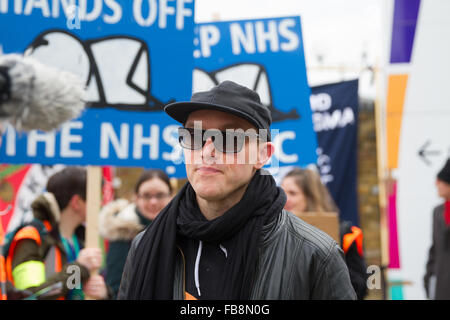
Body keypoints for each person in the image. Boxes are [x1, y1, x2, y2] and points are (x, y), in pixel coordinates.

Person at [117, 80, 356, 300]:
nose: (207, 150)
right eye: (194, 135)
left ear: (263, 155)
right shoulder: (146, 245)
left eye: (229, 138)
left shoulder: (314, 255)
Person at [3, 167, 108, 300]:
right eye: (96, 198)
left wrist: (104, 294)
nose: (100, 204)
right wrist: (78, 269)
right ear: (76, 202)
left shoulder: (83, 240)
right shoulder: (31, 237)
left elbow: (72, 286)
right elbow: (31, 296)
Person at [281, 167, 368, 299]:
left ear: (310, 197)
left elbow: (360, 287)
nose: (285, 198)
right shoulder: (273, 232)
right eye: (282, 192)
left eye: (293, 193)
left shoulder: (346, 234)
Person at [99, 169, 172, 299]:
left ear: (171, 196)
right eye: (146, 195)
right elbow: (116, 288)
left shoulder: (184, 230)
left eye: (160, 195)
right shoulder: (123, 232)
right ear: (136, 198)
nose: (153, 202)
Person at [424, 158, 450, 299]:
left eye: (440, 181)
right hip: (441, 284)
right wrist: (428, 276)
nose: (436, 185)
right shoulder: (438, 212)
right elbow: (435, 248)